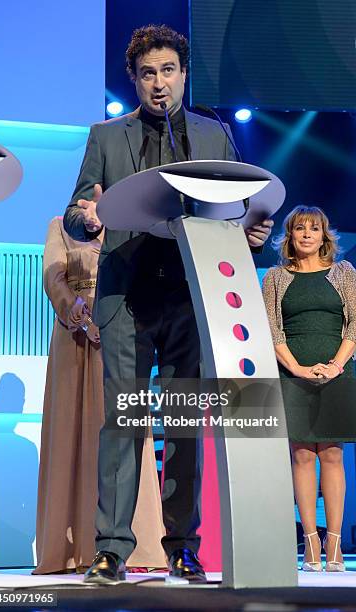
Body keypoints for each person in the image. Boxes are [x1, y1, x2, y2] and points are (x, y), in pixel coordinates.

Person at [64, 24, 273, 584]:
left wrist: (253, 235)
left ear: (184, 75)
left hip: (193, 297)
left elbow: (241, 209)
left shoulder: (213, 136)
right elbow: (76, 211)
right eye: (148, 73)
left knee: (182, 425)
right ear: (134, 79)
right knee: (124, 422)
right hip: (127, 296)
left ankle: (183, 546)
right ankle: (112, 549)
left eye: (169, 71)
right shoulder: (106, 137)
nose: (160, 83)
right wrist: (86, 216)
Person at [34, 216, 166, 574]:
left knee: (124, 429)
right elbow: (52, 274)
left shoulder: (130, 226)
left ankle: (132, 545)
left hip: (122, 328)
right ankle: (75, 548)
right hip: (74, 335)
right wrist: (76, 311)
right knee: (72, 433)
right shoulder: (61, 226)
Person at [262, 205, 356, 573]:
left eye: (313, 229)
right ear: (289, 235)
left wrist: (335, 365)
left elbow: (353, 326)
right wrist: (298, 369)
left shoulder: (345, 273)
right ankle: (311, 545)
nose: (306, 234)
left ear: (324, 236)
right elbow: (272, 331)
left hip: (339, 373)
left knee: (331, 454)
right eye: (299, 228)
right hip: (291, 374)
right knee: (301, 456)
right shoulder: (274, 277)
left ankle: (334, 547)